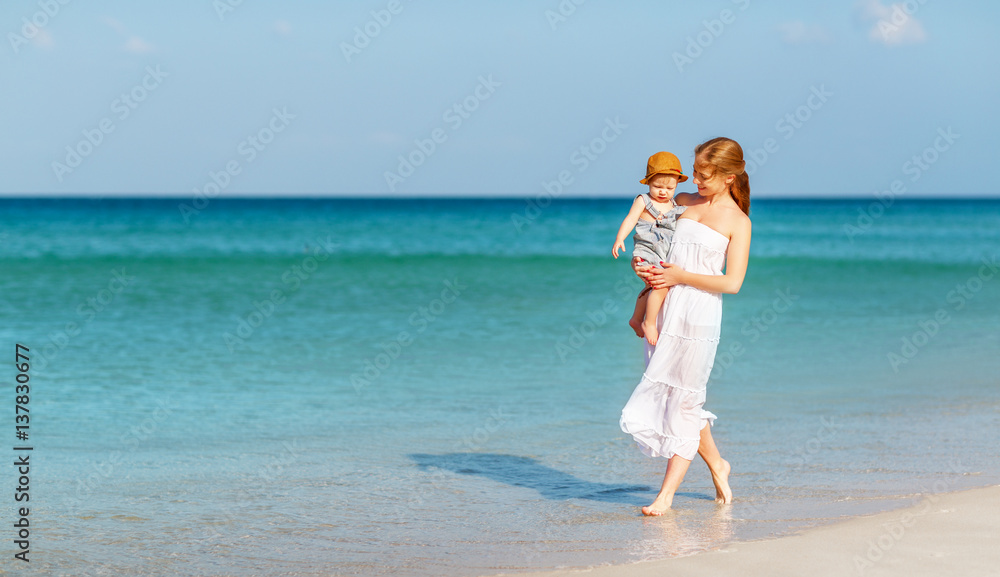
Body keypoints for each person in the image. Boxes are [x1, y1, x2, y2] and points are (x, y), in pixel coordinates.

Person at [619, 137, 752, 516]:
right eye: (693, 172)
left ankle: (665, 497)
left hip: (698, 314)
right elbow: (652, 245)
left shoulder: (738, 222)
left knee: (686, 397)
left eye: (703, 175)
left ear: (729, 177)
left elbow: (733, 282)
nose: (693, 180)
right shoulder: (680, 202)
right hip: (664, 310)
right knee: (676, 397)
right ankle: (718, 464)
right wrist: (641, 270)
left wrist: (682, 276)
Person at [612, 152, 689, 346]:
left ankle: (636, 319)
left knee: (650, 286)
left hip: (663, 255)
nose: (663, 191)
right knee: (660, 286)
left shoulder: (675, 205)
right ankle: (649, 322)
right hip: (646, 253)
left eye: (669, 188)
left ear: (677, 185)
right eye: (658, 186)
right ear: (648, 183)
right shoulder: (643, 201)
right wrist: (620, 238)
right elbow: (630, 219)